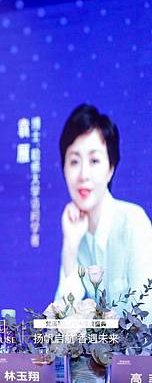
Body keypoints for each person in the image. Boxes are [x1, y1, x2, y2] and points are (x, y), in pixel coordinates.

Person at [54, 104, 152, 322]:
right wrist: (70, 246)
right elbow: (61, 320)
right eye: (74, 161)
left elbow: (145, 322)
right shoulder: (76, 231)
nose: (83, 174)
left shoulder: (134, 223)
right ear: (64, 169)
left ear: (111, 168)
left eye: (94, 161)